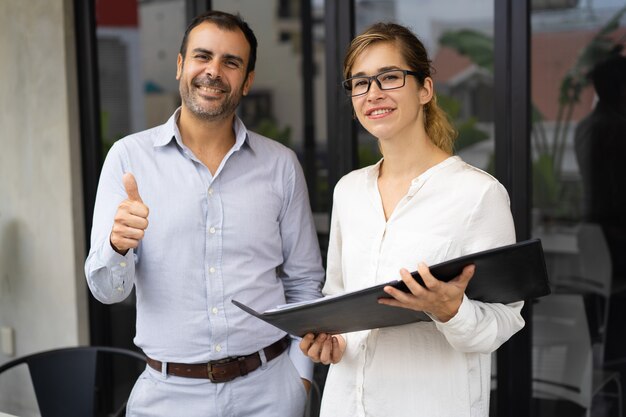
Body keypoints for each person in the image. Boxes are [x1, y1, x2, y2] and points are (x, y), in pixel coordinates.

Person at [84, 10, 324, 417]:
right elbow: (108, 291)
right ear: (181, 65)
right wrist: (116, 246)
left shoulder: (281, 164)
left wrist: (300, 381)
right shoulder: (128, 158)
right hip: (167, 398)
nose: (213, 71)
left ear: (246, 81)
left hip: (269, 393)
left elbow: (304, 282)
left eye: (231, 62)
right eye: (202, 56)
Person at [300, 22, 525, 417]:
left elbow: (505, 320)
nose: (373, 93)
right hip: (345, 405)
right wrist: (330, 339)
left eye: (389, 77)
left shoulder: (477, 194)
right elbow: (336, 297)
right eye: (360, 82)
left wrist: (451, 310)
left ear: (425, 89)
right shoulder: (348, 191)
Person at [574, 54, 626, 279]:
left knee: (599, 303)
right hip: (615, 235)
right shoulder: (617, 129)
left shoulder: (584, 127)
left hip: (592, 232)